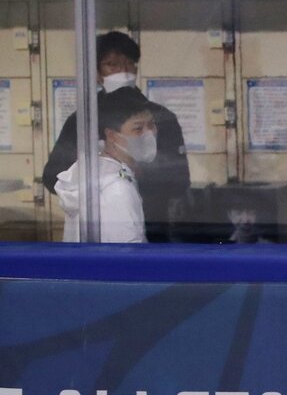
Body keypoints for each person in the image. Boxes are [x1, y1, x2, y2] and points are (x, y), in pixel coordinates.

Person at [42, 30, 191, 242]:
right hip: (96, 226)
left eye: (128, 63)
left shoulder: (160, 117)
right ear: (97, 72)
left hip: (153, 223)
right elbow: (52, 175)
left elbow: (180, 179)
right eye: (112, 64)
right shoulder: (82, 120)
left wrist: (139, 174)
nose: (123, 71)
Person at [53, 87, 154, 244]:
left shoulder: (93, 173)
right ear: (112, 135)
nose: (150, 134)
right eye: (138, 128)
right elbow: (127, 258)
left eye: (151, 125)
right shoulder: (117, 190)